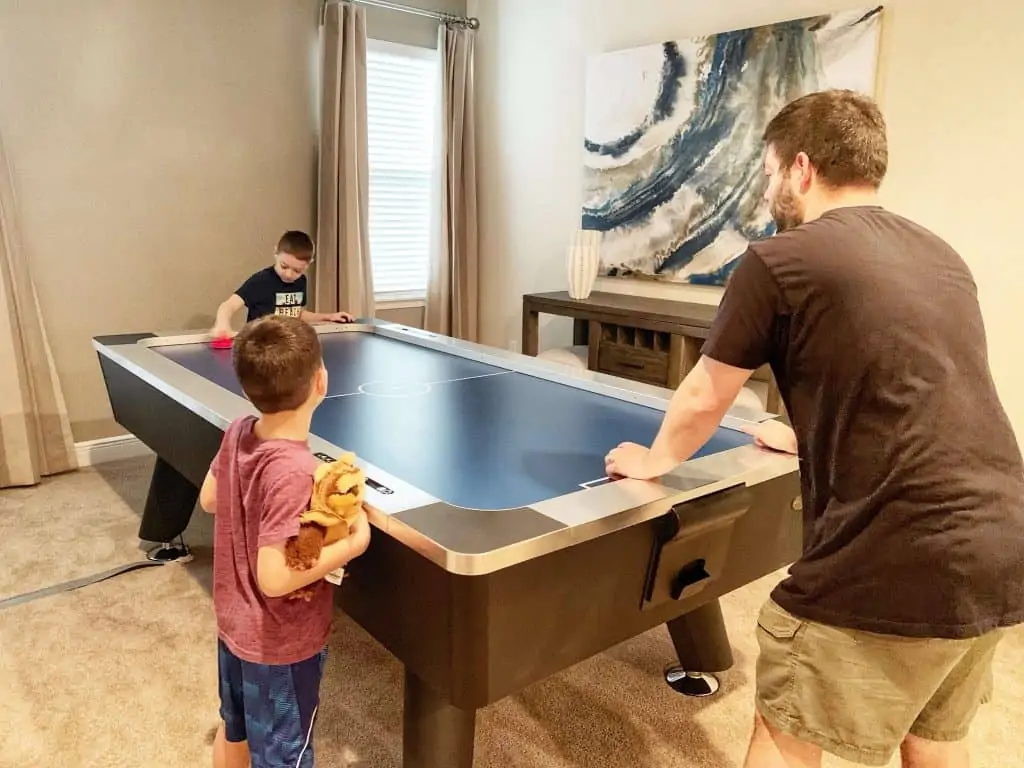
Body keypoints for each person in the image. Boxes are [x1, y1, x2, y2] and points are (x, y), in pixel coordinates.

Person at [605, 89, 1024, 768]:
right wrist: (809, 435)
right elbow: (921, 386)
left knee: (784, 730)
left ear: (801, 167)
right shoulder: (941, 255)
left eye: (769, 171)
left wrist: (654, 462)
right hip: (1002, 538)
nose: (769, 185)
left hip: (897, 545)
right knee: (934, 733)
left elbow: (707, 392)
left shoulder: (780, 261)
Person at [198, 314, 372, 768]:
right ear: (322, 381)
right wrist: (353, 543)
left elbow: (210, 499)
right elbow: (274, 578)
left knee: (233, 728)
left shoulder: (238, 430)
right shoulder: (297, 470)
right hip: (279, 644)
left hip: (234, 625)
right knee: (283, 755)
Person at [210, 230, 353, 338]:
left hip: (286, 342)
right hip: (259, 343)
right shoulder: (261, 280)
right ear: (275, 253)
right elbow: (228, 305)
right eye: (284, 266)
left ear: (309, 264)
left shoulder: (301, 281)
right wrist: (222, 323)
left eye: (297, 270)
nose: (289, 274)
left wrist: (328, 317)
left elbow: (296, 313)